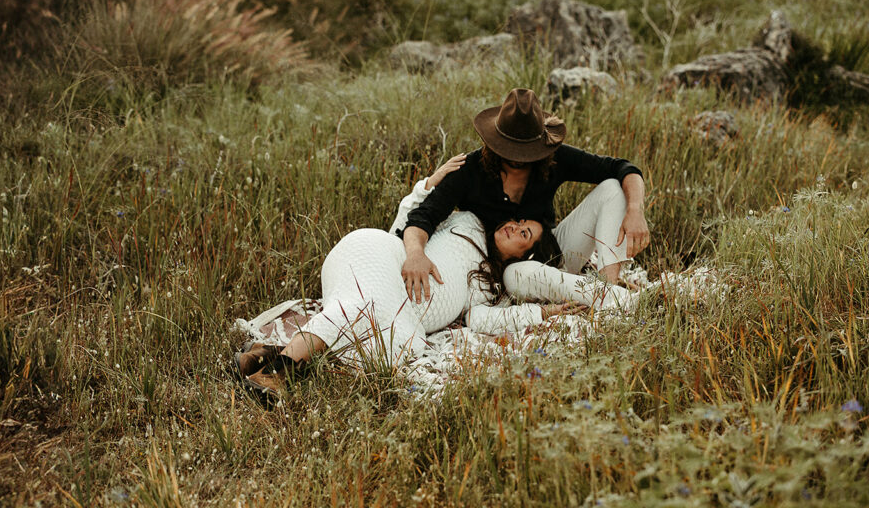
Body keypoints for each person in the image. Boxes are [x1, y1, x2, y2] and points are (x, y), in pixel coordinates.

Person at [232, 157, 577, 408]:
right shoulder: (467, 221)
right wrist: (429, 184)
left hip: (401, 309)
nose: (513, 226)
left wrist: (544, 314)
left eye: (524, 233)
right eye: (517, 220)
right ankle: (277, 372)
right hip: (380, 256)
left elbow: (483, 320)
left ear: (524, 257)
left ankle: (270, 356)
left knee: (404, 344)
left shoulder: (491, 287)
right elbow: (402, 228)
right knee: (368, 307)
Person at [399, 87, 650, 309]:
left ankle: (607, 290)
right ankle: (607, 298)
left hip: (555, 254)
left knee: (612, 188)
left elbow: (624, 168)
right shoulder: (468, 170)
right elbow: (422, 217)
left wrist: (635, 211)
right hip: (511, 276)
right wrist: (415, 253)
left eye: (527, 150)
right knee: (518, 275)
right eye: (511, 149)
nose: (519, 157)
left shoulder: (554, 158)